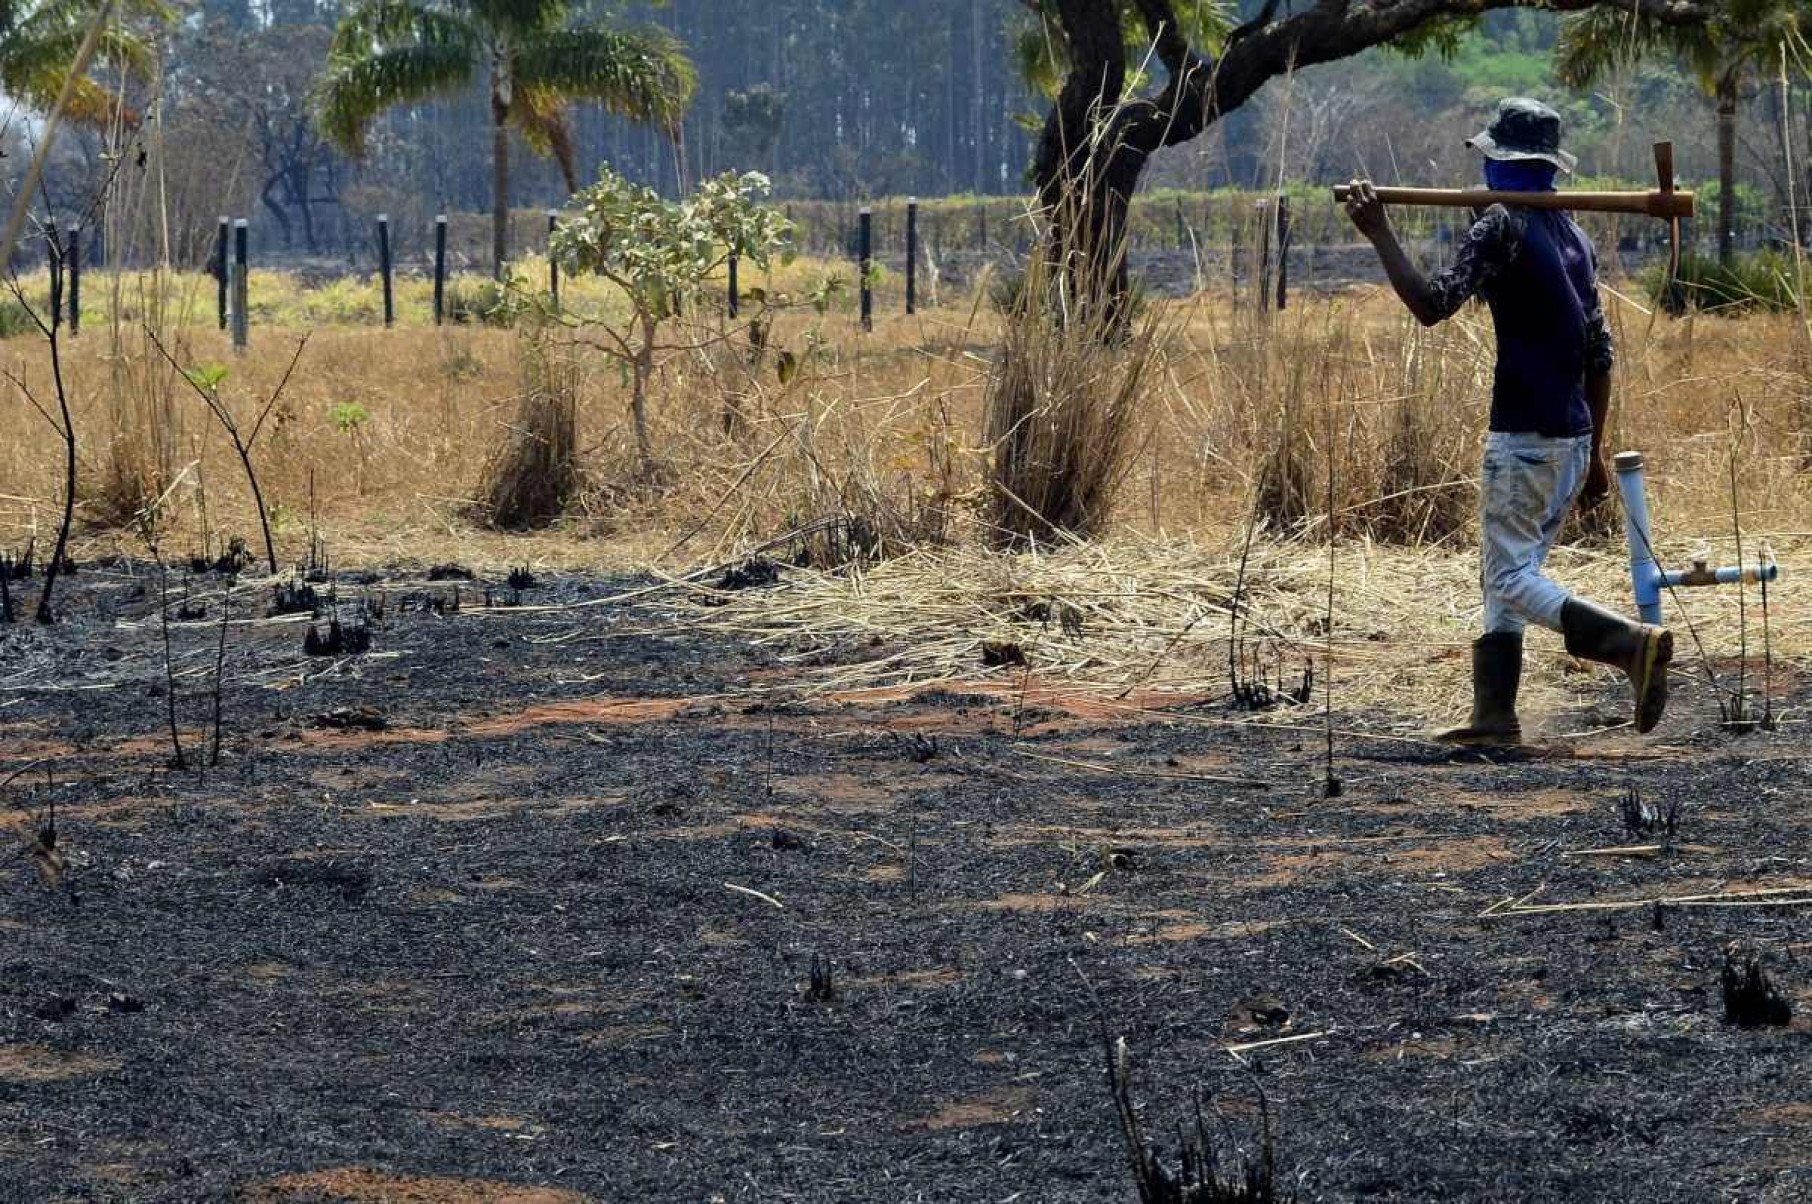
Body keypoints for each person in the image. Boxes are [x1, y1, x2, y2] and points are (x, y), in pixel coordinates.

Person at [1343, 97, 1672, 744]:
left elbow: (1433, 306)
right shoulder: (1569, 234)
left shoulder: (1501, 228)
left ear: (1498, 161)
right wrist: (1596, 453)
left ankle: (1629, 645)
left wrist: (1378, 230)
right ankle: (1494, 717)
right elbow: (1599, 353)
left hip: (1524, 437)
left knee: (1507, 576)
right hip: (1571, 437)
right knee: (1508, 566)